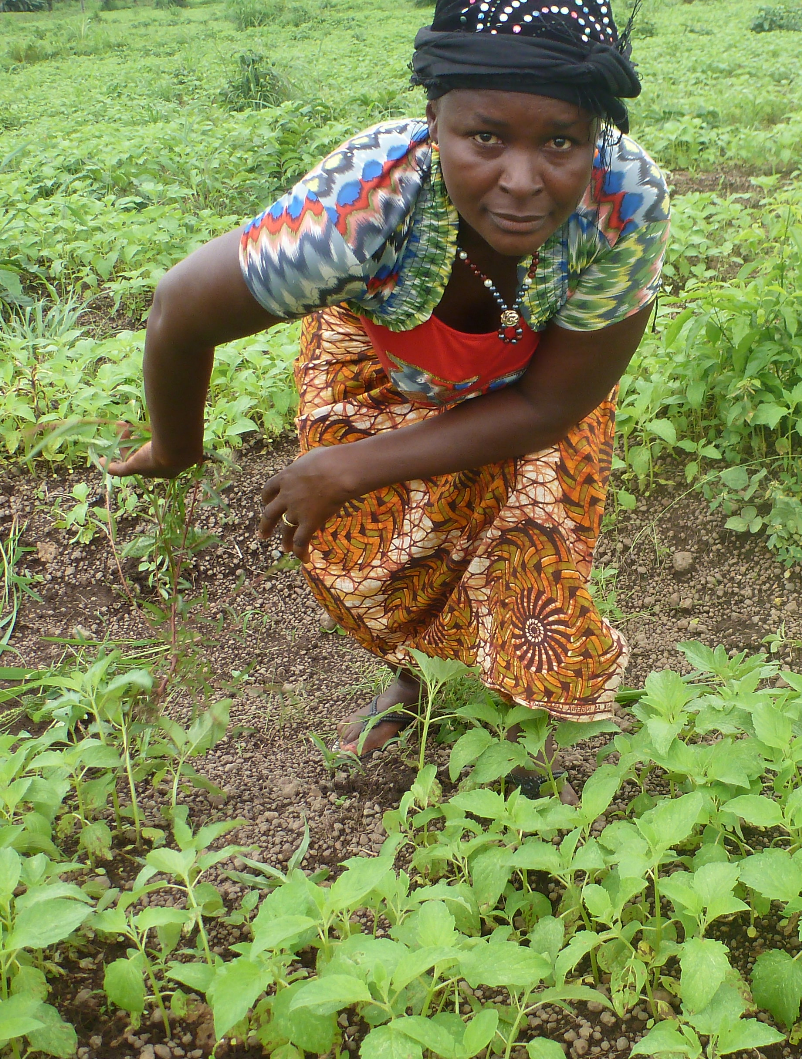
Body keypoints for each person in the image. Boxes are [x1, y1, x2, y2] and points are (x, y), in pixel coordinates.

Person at [107, 0, 669, 803]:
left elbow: (550, 407)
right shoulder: (364, 206)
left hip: (538, 380)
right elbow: (178, 310)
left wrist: (347, 466)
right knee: (373, 552)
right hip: (380, 359)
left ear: (594, 138)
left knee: (532, 525)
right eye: (485, 137)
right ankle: (416, 675)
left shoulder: (625, 201)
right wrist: (175, 451)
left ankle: (513, 733)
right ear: (434, 119)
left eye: (560, 141)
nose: (522, 179)